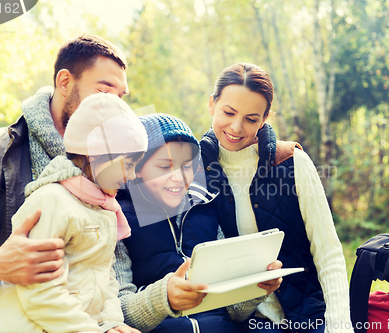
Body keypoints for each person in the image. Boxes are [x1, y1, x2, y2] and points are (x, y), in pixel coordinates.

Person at [0, 34, 129, 333]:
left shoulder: (114, 171)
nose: (114, 106)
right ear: (64, 82)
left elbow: (110, 273)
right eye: (104, 92)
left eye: (121, 98)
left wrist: (119, 321)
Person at [200, 63, 354, 333]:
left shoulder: (292, 162)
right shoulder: (193, 171)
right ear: (212, 104)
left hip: (310, 316)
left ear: (265, 118)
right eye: (228, 112)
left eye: (251, 118)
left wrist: (339, 326)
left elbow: (328, 253)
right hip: (246, 323)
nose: (236, 127)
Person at [0, 93, 146, 333]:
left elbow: (105, 277)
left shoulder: (105, 209)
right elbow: (39, 293)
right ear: (97, 155)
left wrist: (111, 324)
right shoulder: (52, 201)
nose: (131, 176)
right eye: (128, 165)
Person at [113, 113, 282, 333]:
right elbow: (116, 310)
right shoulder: (117, 219)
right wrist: (164, 298)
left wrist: (256, 289)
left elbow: (230, 311)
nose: (178, 177)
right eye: (165, 167)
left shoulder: (206, 208)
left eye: (187, 166)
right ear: (136, 168)